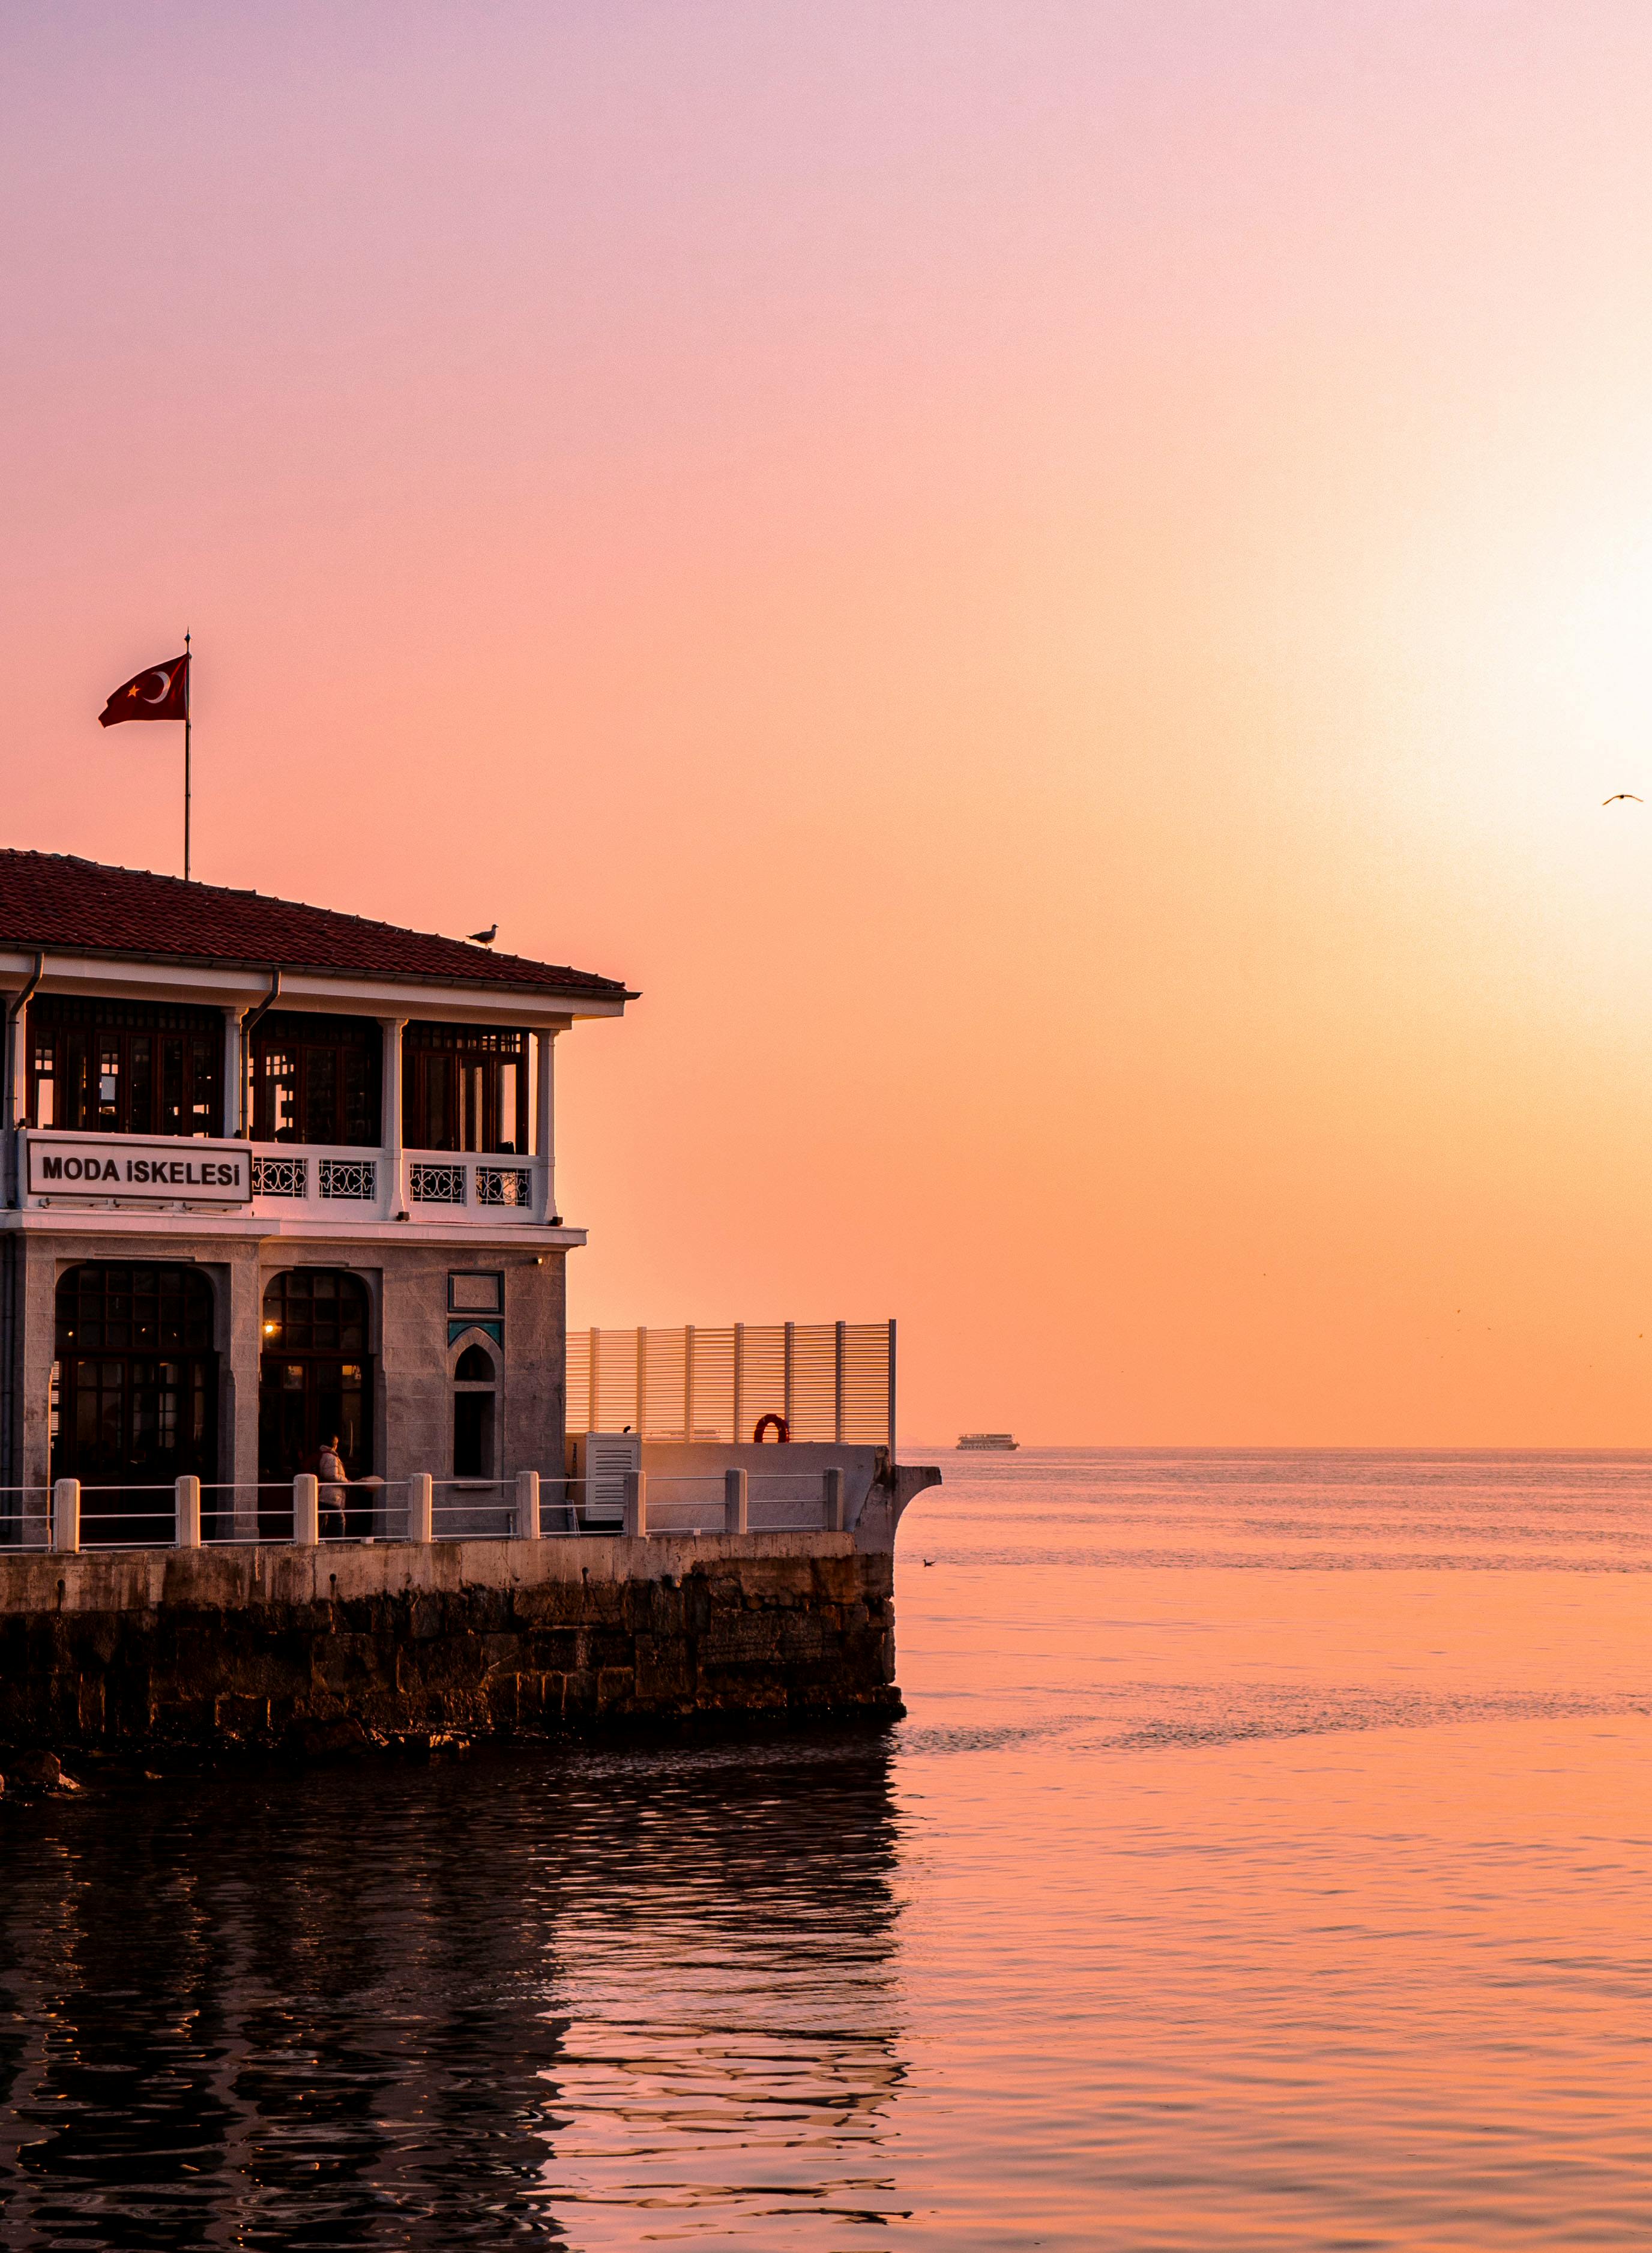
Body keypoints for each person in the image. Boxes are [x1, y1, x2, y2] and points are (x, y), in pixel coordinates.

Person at [317, 1434, 348, 1540]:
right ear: (334, 1444)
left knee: (322, 1519)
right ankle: (340, 1543)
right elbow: (331, 1475)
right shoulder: (331, 1457)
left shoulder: (325, 1455)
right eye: (337, 1444)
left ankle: (318, 1540)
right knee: (340, 1520)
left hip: (324, 1493)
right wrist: (347, 1482)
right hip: (331, 1494)